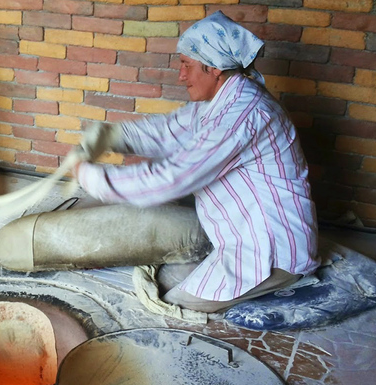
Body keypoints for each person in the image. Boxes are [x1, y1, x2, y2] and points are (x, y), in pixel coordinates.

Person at [71, 11, 319, 313]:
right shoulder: (219, 103)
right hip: (237, 237)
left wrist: (92, 177)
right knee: (164, 276)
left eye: (186, 65)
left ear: (213, 67)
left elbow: (173, 178)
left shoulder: (243, 114)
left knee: (174, 300)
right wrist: (109, 136)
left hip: (271, 254)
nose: (181, 75)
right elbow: (165, 131)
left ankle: (285, 283)